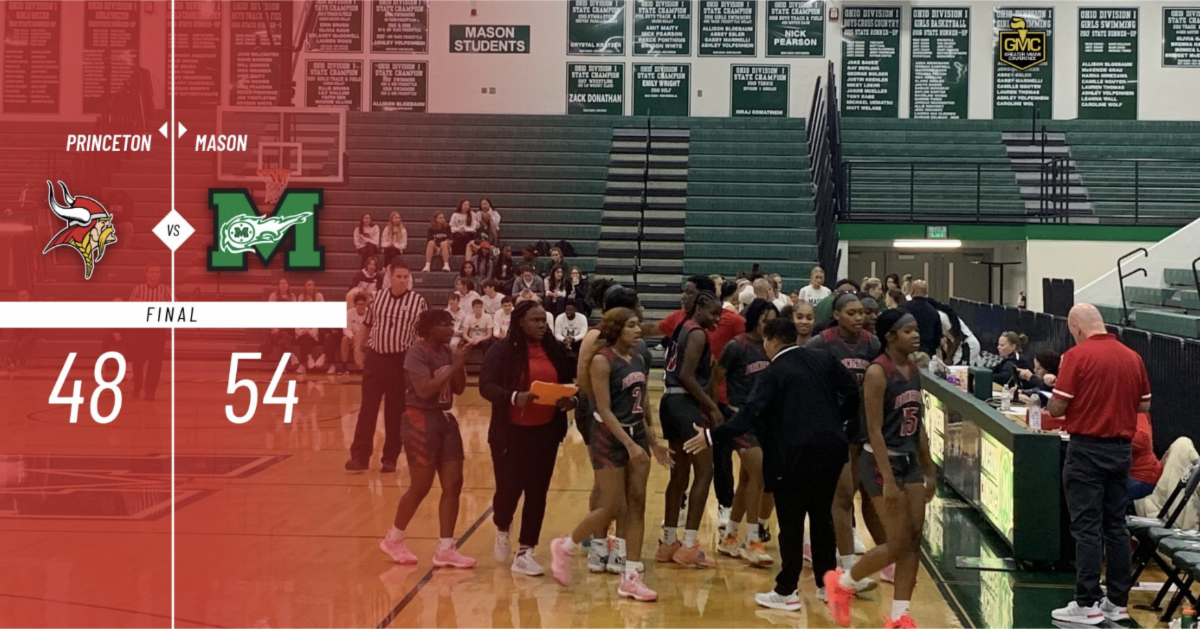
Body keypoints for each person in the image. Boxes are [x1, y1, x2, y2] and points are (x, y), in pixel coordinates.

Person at [684, 317, 860, 612]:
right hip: (832, 449)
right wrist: (837, 419)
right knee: (821, 518)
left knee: (791, 522)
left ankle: (786, 590)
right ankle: (825, 584)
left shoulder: (773, 371)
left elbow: (749, 414)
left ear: (773, 340)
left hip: (792, 455)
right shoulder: (824, 359)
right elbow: (853, 391)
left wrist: (712, 435)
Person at [824, 309, 935, 629]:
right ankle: (843, 582)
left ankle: (900, 616)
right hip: (879, 461)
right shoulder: (877, 372)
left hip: (910, 461)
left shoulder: (913, 369)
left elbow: (919, 426)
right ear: (890, 337)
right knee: (897, 542)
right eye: (908, 331)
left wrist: (929, 470)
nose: (916, 335)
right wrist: (887, 479)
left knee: (913, 540)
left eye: (916, 329)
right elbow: (873, 429)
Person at [551, 307, 672, 601]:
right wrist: (629, 445)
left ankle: (630, 576)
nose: (638, 330)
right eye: (631, 325)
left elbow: (642, 402)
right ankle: (565, 546)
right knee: (613, 505)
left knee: (637, 503)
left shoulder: (639, 357)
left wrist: (653, 441)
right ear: (616, 329)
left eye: (638, 325)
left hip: (637, 433)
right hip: (609, 436)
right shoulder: (601, 361)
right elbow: (604, 409)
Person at [1046, 303, 1152, 625]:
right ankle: (1117, 602)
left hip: (1086, 450)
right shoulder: (1132, 357)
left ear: (1076, 328)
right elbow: (1144, 405)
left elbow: (1057, 407)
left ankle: (1086, 602)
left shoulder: (1077, 356)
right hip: (1121, 452)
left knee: (1086, 527)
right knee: (1116, 525)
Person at [482, 300, 579, 576]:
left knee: (537, 492)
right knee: (508, 489)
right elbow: (486, 386)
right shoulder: (501, 350)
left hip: (546, 432)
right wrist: (515, 397)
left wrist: (570, 400)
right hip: (510, 433)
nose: (541, 325)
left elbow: (568, 383)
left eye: (543, 320)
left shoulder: (555, 349)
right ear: (520, 322)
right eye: (535, 320)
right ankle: (502, 525)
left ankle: (526, 551)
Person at [379, 310, 473, 568]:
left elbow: (459, 388)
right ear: (429, 327)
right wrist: (454, 366)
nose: (450, 327)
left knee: (454, 483)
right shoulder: (416, 352)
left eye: (451, 323)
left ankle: (446, 548)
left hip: (445, 418)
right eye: (444, 324)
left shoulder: (448, 352)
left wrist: (459, 364)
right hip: (419, 419)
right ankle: (394, 538)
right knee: (421, 486)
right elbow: (424, 390)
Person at [807, 293, 887, 590]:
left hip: (863, 427)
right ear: (837, 315)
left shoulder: (872, 343)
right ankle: (849, 567)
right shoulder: (821, 343)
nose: (858, 317)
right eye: (851, 313)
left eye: (860, 312)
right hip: (833, 427)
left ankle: (885, 558)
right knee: (841, 499)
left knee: (868, 494)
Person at [657, 290, 723, 568]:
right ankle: (689, 546)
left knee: (679, 475)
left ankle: (668, 542)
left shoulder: (682, 326)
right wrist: (712, 407)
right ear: (700, 307)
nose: (717, 319)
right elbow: (686, 375)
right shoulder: (697, 334)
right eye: (714, 313)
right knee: (704, 472)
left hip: (669, 403)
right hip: (686, 405)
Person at [713, 299, 778, 567]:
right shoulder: (736, 346)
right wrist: (716, 411)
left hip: (766, 421)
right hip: (740, 418)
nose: (769, 325)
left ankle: (729, 536)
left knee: (747, 480)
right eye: (765, 320)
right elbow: (715, 378)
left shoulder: (773, 347)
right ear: (754, 319)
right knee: (760, 473)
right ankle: (752, 540)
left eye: (772, 320)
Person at [346, 262, 428, 473]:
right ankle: (359, 457)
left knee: (395, 412)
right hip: (376, 359)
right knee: (368, 409)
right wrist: (358, 350)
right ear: (390, 276)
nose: (402, 280)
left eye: (406, 277)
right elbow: (366, 326)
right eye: (399, 276)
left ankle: (390, 458)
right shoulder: (378, 298)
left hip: (401, 362)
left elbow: (423, 336)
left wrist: (419, 364)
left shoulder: (418, 301)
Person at [128, 265, 170, 401]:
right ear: (146, 273)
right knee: (137, 360)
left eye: (157, 272)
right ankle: (137, 386)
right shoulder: (138, 290)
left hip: (158, 330)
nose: (154, 274)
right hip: (140, 330)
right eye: (152, 272)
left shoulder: (166, 290)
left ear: (160, 274)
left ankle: (150, 391)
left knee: (155, 361)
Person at [904, 280, 943, 357]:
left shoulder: (904, 308)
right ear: (926, 293)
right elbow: (937, 338)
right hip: (927, 353)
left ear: (912, 291)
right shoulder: (933, 311)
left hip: (906, 352)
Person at [1128, 413, 1162, 502]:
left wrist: (1113, 436)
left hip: (1141, 478)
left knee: (1100, 493)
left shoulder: (1137, 410)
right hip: (1125, 475)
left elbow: (1142, 439)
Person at [3, 289, 38, 371]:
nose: (24, 298)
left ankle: (8, 359)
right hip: (18, 331)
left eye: (25, 295)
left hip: (31, 331)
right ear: (17, 297)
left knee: (21, 344)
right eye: (21, 296)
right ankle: (11, 362)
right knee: (13, 344)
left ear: (28, 296)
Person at [339, 294, 369, 374]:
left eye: (362, 304)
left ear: (365, 304)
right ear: (355, 305)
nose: (361, 306)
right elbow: (345, 329)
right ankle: (344, 365)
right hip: (354, 337)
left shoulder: (369, 313)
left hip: (366, 338)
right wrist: (352, 336)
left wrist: (363, 339)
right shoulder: (349, 313)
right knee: (344, 339)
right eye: (358, 304)